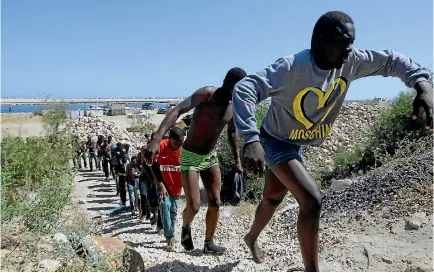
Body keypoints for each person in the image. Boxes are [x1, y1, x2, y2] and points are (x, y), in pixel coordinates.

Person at [231, 11, 433, 271]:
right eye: (342, 43)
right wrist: (250, 138)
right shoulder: (291, 67)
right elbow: (245, 88)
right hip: (274, 140)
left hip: (295, 143)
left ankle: (251, 237)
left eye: (352, 43)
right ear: (318, 40)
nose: (348, 50)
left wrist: (422, 84)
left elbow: (392, 60)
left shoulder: (351, 62)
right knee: (312, 200)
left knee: (272, 199)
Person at [144, 67, 247, 254]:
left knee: (215, 202)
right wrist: (157, 138)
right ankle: (185, 228)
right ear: (230, 85)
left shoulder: (233, 107)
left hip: (210, 156)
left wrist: (237, 160)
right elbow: (178, 110)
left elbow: (232, 132)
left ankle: (208, 243)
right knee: (194, 205)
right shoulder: (206, 94)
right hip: (190, 155)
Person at [152, 127, 185, 250]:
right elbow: (154, 167)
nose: (178, 146)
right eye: (176, 143)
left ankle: (171, 233)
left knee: (174, 211)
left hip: (176, 186)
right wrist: (161, 185)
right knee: (165, 206)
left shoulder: (184, 150)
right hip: (163, 185)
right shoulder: (161, 146)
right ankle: (169, 236)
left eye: (180, 144)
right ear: (170, 139)